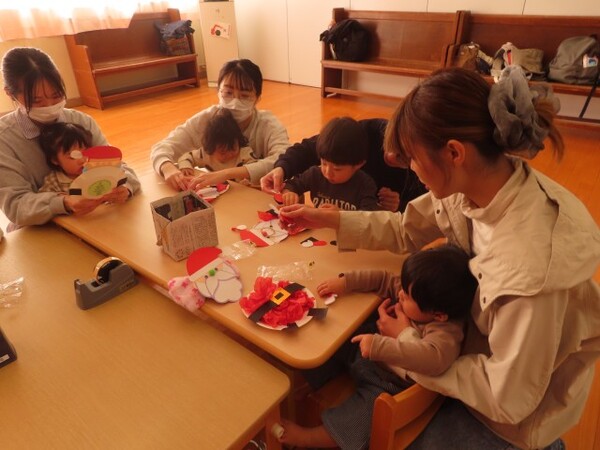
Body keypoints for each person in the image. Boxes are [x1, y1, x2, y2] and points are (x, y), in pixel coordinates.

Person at [280, 67, 600, 449]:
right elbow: (405, 229)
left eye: (413, 158)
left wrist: (407, 343)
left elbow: (508, 396)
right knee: (345, 330)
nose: (411, 169)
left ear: (453, 152)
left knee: (387, 424)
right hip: (459, 338)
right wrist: (329, 219)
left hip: (508, 415)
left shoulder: (529, 266)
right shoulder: (473, 184)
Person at [278, 244, 478, 449]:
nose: (400, 294)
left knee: (361, 421)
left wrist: (381, 345)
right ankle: (317, 382)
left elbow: (434, 359)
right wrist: (346, 282)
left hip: (390, 382)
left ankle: (307, 438)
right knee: (329, 342)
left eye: (407, 296)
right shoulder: (418, 291)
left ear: (439, 315)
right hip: (370, 350)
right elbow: (383, 279)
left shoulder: (447, 331)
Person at [0, 47, 140, 227]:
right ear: (10, 94)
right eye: (36, 100)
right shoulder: (5, 139)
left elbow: (118, 168)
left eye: (56, 95)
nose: (49, 105)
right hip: (40, 229)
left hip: (94, 219)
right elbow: (16, 206)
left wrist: (125, 187)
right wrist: (63, 203)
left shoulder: (80, 121)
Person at [150, 59, 289, 191]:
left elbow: (284, 158)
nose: (235, 102)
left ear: (257, 98)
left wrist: (226, 174)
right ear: (218, 92)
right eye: (228, 93)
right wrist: (167, 168)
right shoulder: (207, 119)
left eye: (244, 95)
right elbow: (163, 147)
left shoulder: (268, 124)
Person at [260, 118, 427, 212]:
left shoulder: (365, 185)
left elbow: (423, 211)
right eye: (391, 144)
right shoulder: (359, 135)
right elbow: (308, 148)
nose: (390, 156)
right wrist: (282, 168)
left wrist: (400, 206)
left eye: (403, 157)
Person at [281, 117, 379, 211]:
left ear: (358, 164)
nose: (328, 173)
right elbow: (293, 184)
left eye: (337, 169)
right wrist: (289, 192)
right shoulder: (315, 174)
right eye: (324, 163)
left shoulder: (365, 186)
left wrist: (341, 215)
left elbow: (369, 217)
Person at [176, 107, 255, 182]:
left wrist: (248, 179)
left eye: (233, 148)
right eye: (223, 152)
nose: (230, 154)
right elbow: (187, 157)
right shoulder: (205, 154)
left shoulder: (244, 153)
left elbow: (253, 168)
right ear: (211, 148)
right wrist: (186, 166)